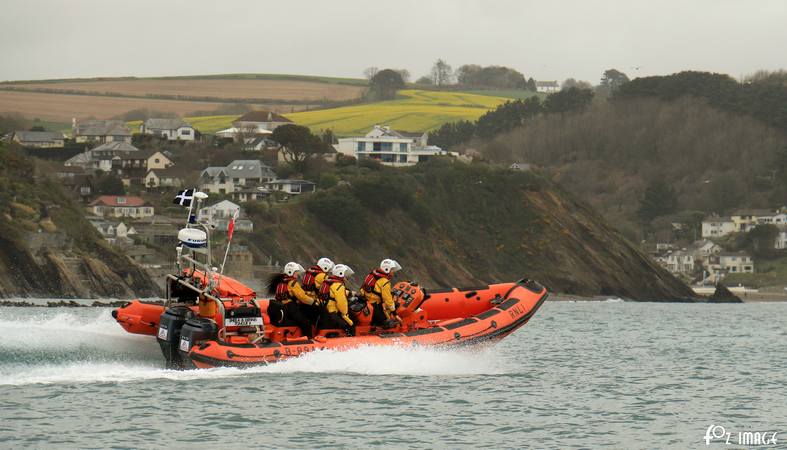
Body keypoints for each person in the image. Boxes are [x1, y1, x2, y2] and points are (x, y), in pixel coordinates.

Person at [266, 262, 315, 338]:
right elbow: (302, 297)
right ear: (291, 272)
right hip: (290, 306)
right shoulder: (293, 283)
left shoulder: (281, 280)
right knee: (306, 323)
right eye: (296, 272)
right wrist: (313, 302)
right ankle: (309, 339)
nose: (297, 274)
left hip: (283, 306)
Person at [360, 259, 402, 329]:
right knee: (387, 324)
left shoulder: (372, 274)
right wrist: (395, 313)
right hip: (374, 305)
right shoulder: (384, 281)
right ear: (387, 269)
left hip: (366, 300)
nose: (393, 272)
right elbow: (388, 299)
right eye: (392, 270)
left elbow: (363, 288)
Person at [317, 264, 356, 336]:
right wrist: (345, 314)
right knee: (351, 325)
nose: (346, 276)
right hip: (334, 311)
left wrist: (349, 293)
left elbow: (334, 293)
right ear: (340, 273)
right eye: (345, 274)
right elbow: (342, 303)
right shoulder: (339, 286)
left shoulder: (331, 282)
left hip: (327, 309)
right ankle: (351, 336)